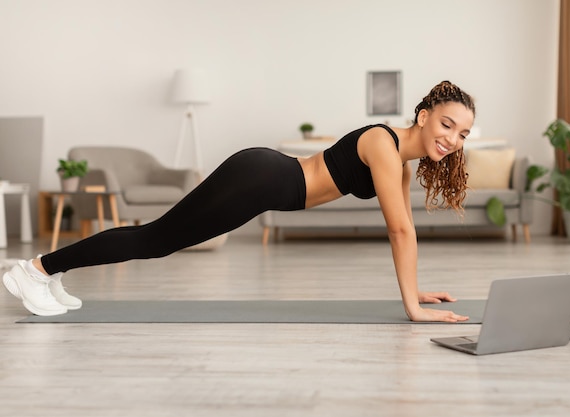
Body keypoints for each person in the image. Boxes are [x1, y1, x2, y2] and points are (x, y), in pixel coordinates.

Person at [3, 80, 475, 322]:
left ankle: (52, 271)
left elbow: (401, 230)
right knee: (156, 240)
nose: (452, 138)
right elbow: (400, 230)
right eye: (447, 124)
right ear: (424, 114)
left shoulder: (399, 159)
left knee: (157, 239)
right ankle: (35, 270)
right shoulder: (382, 143)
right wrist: (413, 309)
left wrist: (413, 291)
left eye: (463, 133)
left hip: (265, 178)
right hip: (261, 178)